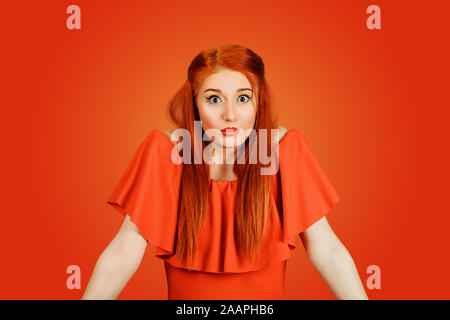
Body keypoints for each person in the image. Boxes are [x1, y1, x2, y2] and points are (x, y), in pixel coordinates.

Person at [82, 44, 368, 300]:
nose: (230, 115)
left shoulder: (283, 149)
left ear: (259, 103)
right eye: (214, 99)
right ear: (194, 103)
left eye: (243, 98)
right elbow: (124, 251)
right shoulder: (167, 151)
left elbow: (327, 250)